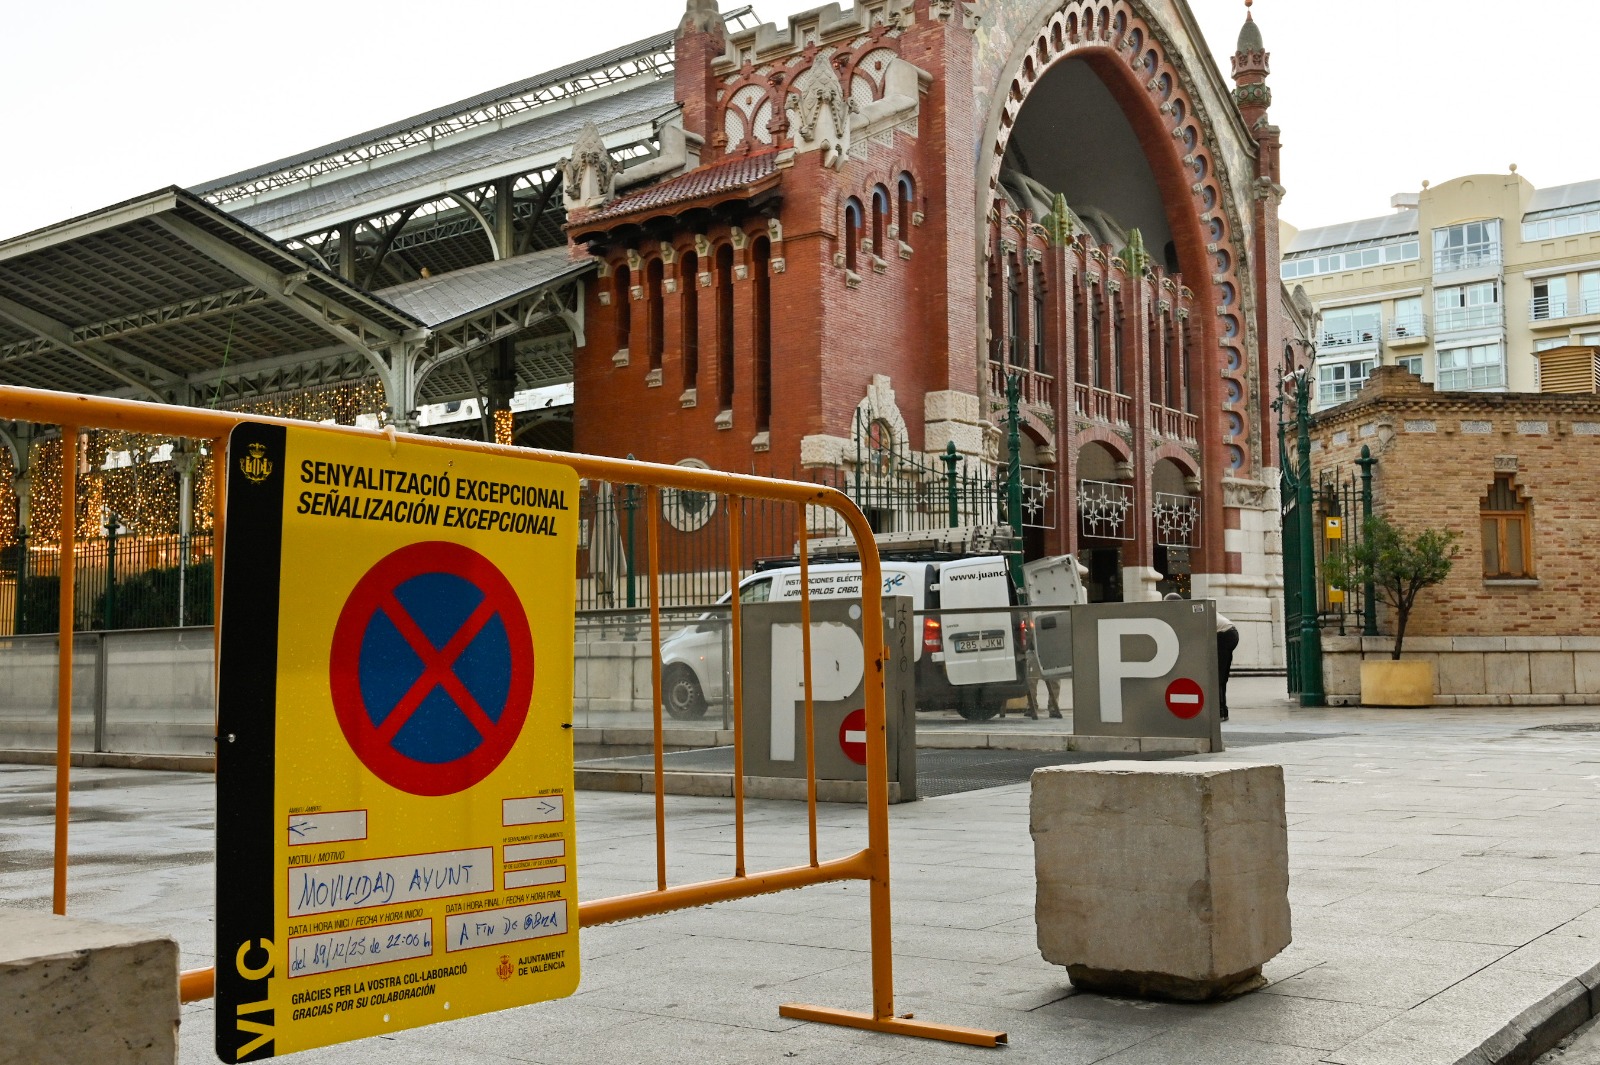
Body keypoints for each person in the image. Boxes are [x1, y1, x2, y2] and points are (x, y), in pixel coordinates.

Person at [1165, 592, 1239, 721]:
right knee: (1220, 676)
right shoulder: (1190, 609)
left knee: (1216, 676)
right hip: (1230, 633)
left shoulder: (1188, 612)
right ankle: (1222, 711)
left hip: (1223, 635)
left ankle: (1220, 712)